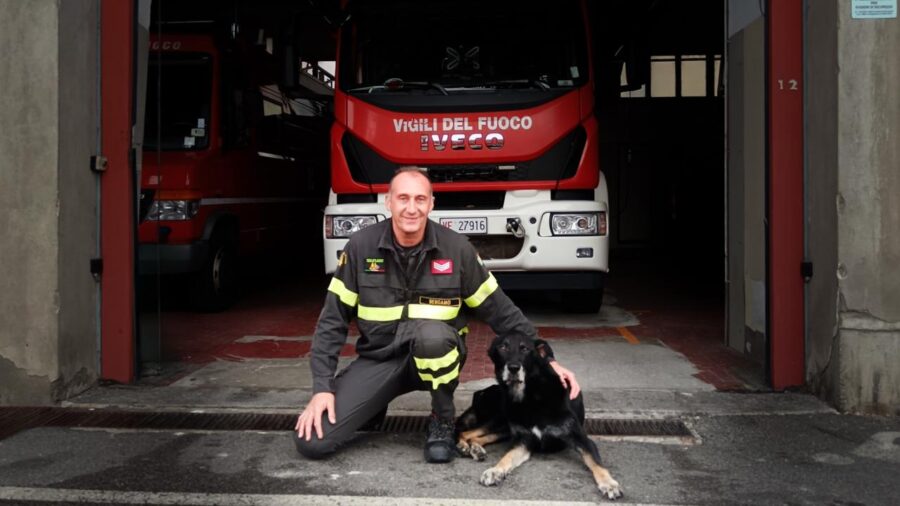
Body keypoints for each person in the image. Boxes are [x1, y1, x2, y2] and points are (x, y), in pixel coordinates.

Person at [293, 166, 580, 463]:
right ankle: (370, 400)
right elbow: (332, 322)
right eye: (403, 198)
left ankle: (442, 419)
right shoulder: (360, 248)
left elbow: (502, 312)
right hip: (380, 359)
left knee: (433, 336)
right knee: (312, 442)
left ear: (432, 204)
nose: (411, 208)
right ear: (388, 202)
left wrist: (547, 358)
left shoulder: (457, 250)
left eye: (420, 199)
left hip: (437, 355)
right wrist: (323, 388)